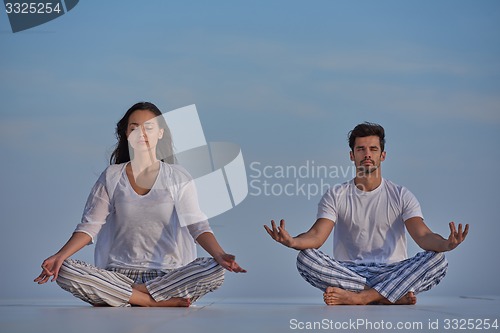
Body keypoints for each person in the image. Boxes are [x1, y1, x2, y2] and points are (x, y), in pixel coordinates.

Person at [34, 102, 246, 307]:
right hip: (117, 274)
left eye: (149, 128)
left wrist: (219, 255)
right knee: (64, 270)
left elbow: (197, 225)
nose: (141, 134)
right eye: (134, 128)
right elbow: (89, 226)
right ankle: (148, 300)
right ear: (126, 134)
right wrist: (59, 256)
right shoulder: (112, 176)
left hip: (168, 276)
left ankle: (128, 296)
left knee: (214, 270)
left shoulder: (178, 176)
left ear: (160, 133)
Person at [264, 122, 468, 305]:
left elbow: (423, 236)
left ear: (383, 155)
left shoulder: (401, 195)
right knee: (305, 258)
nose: (367, 154)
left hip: (393, 271)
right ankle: (389, 295)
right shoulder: (336, 194)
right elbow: (317, 236)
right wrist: (292, 242)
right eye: (361, 149)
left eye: (373, 149)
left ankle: (362, 297)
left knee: (439, 259)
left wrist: (446, 244)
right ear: (352, 155)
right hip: (349, 272)